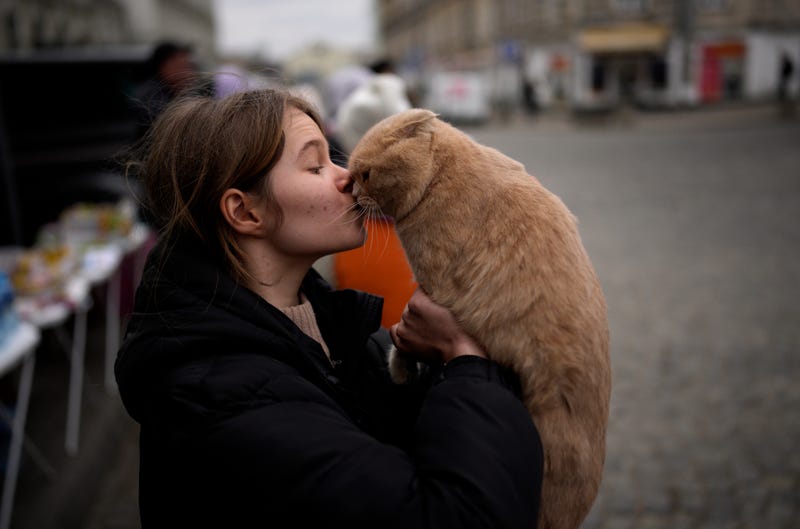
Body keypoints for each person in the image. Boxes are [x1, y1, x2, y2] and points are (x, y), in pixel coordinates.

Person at [115, 88, 543, 528]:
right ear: (245, 212)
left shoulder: (324, 333)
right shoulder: (225, 399)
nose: (348, 176)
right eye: (316, 165)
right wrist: (466, 359)